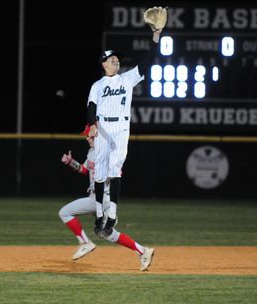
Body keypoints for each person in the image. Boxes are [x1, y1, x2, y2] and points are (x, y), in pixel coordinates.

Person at [86, 19, 164, 237]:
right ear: (104, 64)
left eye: (117, 59)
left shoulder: (127, 79)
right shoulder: (97, 86)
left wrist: (156, 38)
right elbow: (91, 107)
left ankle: (112, 215)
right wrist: (92, 125)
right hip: (102, 127)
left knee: (114, 168)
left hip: (121, 126)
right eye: (112, 59)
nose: (116, 61)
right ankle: (101, 214)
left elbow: (149, 62)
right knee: (100, 174)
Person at [58, 125, 155, 271]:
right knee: (108, 234)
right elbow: (85, 170)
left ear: (98, 137)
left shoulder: (108, 154)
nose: (86, 138)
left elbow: (117, 174)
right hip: (98, 199)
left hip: (101, 199)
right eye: (86, 135)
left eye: (89, 136)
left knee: (64, 212)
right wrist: (71, 162)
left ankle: (85, 242)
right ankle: (143, 251)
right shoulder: (91, 152)